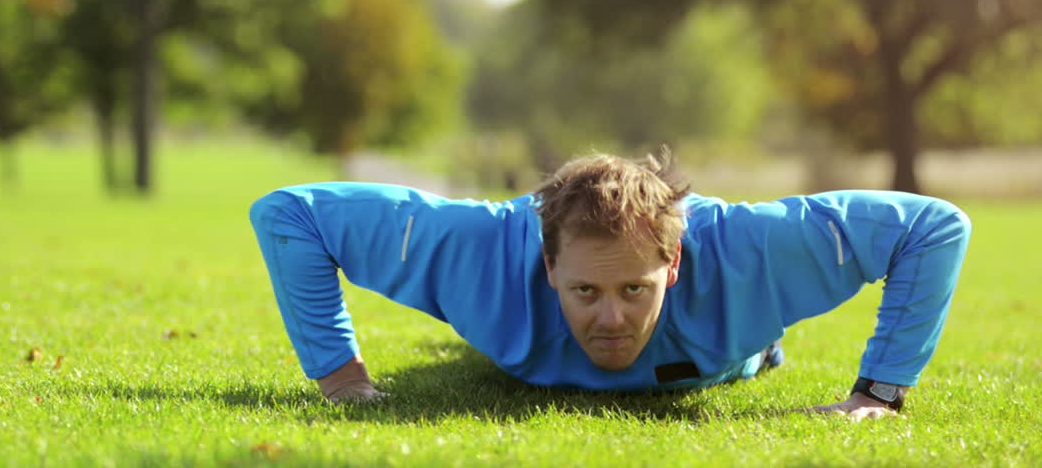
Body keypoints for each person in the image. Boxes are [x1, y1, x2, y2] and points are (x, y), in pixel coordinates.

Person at [248, 151, 971, 419]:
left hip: (732, 348)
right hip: (509, 338)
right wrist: (341, 378)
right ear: (550, 269)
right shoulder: (480, 256)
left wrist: (878, 393)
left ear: (674, 267)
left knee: (746, 350)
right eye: (585, 293)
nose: (612, 320)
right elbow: (289, 214)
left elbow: (935, 227)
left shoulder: (752, 253)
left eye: (635, 290)